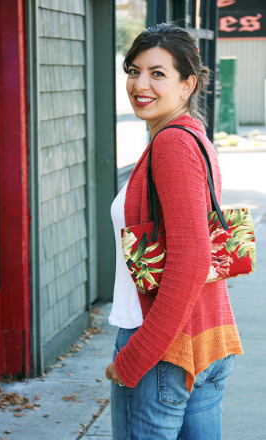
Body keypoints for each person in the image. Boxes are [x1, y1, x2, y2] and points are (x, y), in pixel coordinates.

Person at [105, 23, 243, 440]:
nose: (139, 84)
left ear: (188, 85)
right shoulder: (194, 137)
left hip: (162, 347)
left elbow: (192, 258)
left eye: (157, 73)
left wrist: (136, 356)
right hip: (206, 338)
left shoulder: (172, 145)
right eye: (133, 70)